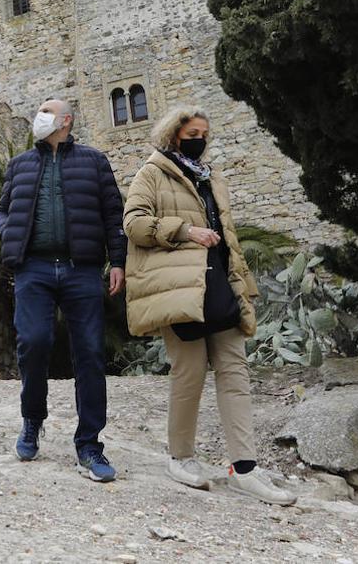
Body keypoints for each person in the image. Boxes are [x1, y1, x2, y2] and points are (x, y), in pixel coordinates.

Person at [122, 108, 296, 505]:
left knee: (235, 373)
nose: (200, 138)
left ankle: (245, 468)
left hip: (219, 285)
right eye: (192, 132)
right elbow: (133, 224)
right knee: (190, 374)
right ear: (174, 135)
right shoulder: (153, 172)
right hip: (180, 289)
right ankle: (180, 457)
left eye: (204, 132)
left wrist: (242, 284)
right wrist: (185, 231)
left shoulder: (212, 176)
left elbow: (228, 235)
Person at [0, 98, 127, 481]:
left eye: (47, 111)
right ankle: (32, 420)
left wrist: (117, 261)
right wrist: (8, 233)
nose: (40, 116)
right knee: (33, 342)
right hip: (33, 268)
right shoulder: (19, 165)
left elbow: (112, 213)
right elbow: (2, 209)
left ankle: (89, 445)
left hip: (81, 269)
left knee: (89, 354)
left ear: (65, 120)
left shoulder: (94, 161)